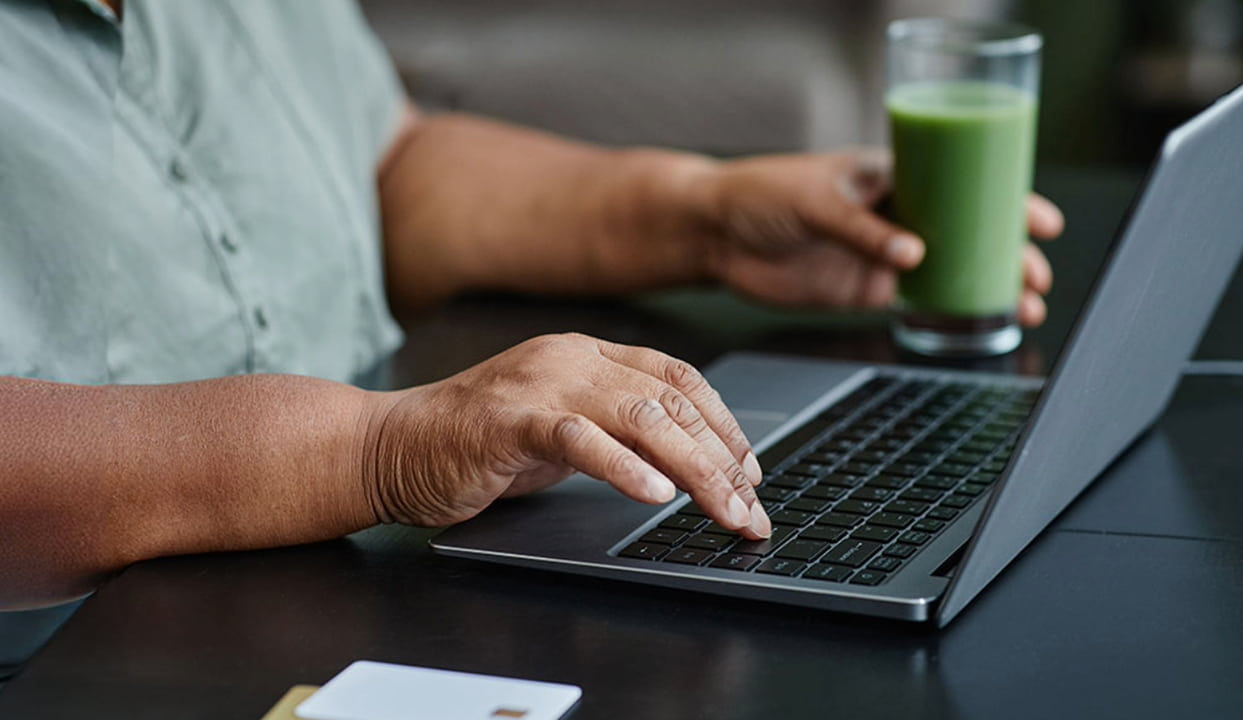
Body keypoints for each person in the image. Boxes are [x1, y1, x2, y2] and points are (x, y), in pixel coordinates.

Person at [0, 0, 1063, 675]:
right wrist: (385, 448)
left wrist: (701, 213)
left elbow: (385, 168)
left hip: (365, 582)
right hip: (94, 662)